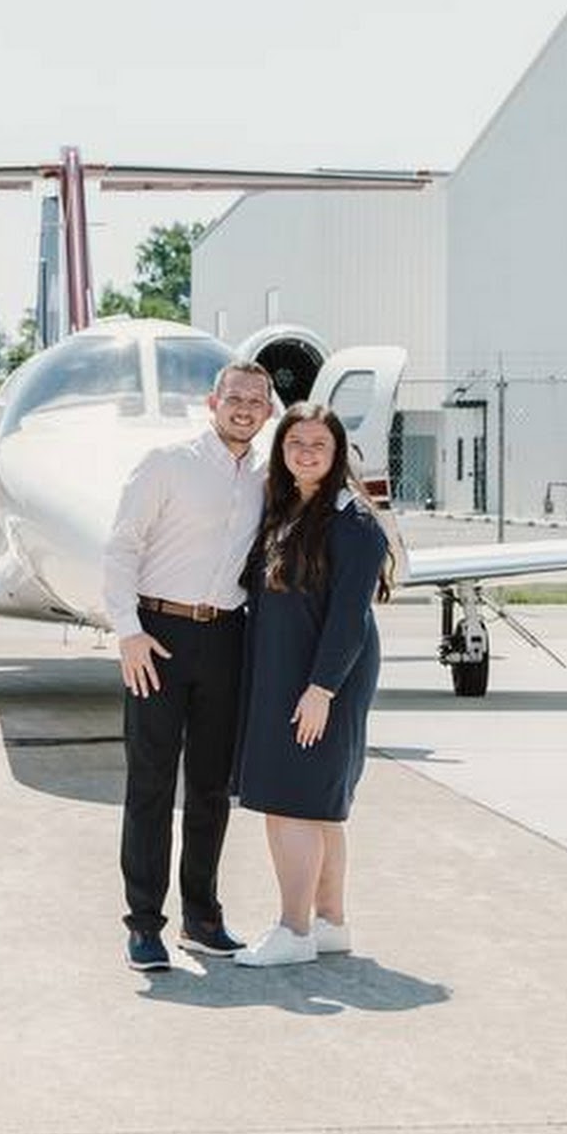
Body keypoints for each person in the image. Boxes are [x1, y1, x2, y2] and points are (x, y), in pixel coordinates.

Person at [104, 358, 275, 972]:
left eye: (255, 401)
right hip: (159, 635)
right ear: (212, 402)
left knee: (210, 787)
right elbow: (121, 545)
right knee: (150, 784)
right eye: (235, 398)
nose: (244, 409)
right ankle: (144, 925)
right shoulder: (167, 463)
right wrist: (128, 632)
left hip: (227, 636)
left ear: (269, 411)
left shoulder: (266, 477)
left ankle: (201, 919)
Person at [232, 401, 393, 967]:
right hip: (287, 667)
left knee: (292, 802)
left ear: (337, 453)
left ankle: (293, 930)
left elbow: (350, 616)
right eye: (295, 443)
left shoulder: (354, 524)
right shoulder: (286, 510)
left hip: (322, 676)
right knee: (320, 805)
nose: (305, 453)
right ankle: (330, 922)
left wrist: (321, 689)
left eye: (318, 445)